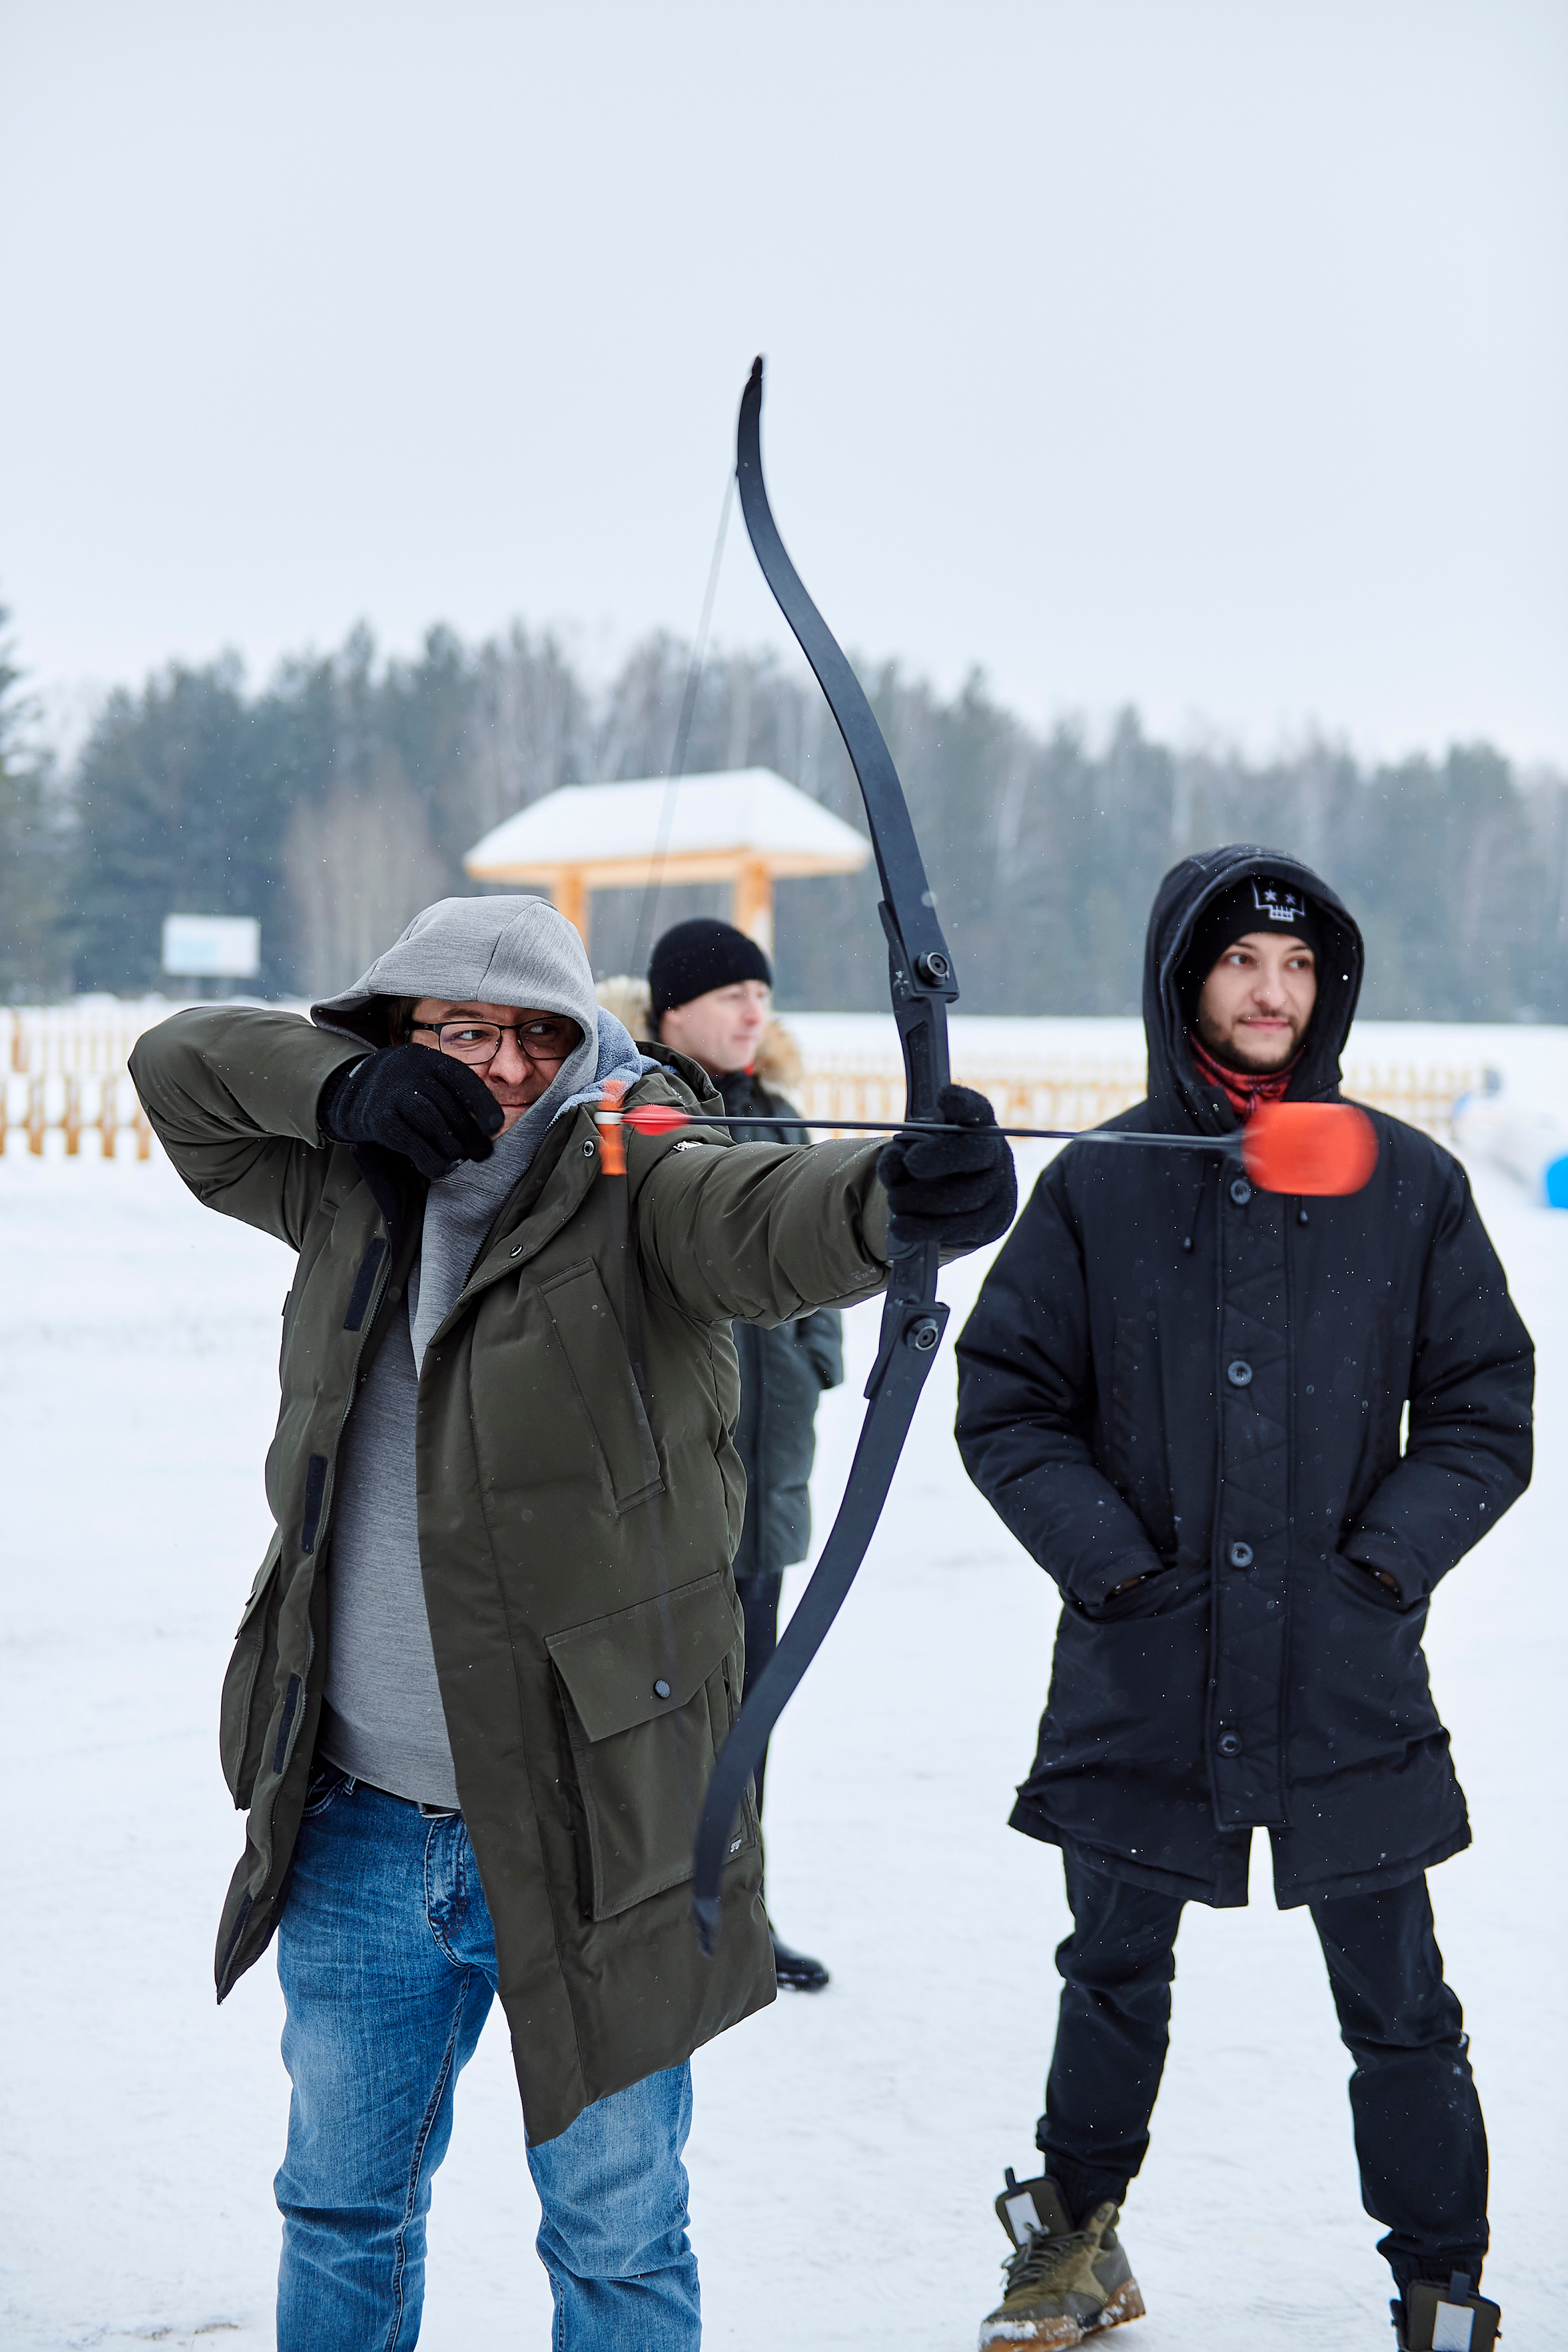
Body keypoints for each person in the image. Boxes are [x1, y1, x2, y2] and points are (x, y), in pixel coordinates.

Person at [129, 894, 1014, 2351]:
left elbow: (762, 1219)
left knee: (615, 2240)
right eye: (454, 1033)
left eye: (532, 1037)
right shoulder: (345, 1181)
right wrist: (342, 1087)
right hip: (354, 1817)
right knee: (340, 2210)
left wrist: (889, 1205)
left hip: (589, 1824)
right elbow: (179, 1066)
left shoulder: (638, 1171)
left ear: (580, 1043)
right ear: (398, 1035)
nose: (496, 1066)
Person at [954, 847, 1529, 2352]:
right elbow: (1007, 1400)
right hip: (1146, 1659)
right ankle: (1071, 2249)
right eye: (1237, 965)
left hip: (1342, 1665)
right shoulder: (1102, 1182)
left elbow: (1484, 1405)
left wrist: (1383, 1566)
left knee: (1397, 1996)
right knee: (1109, 1968)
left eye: (1293, 969)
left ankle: (1439, 2274)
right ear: (1183, 982)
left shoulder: (1404, 1181)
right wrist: (1115, 1568)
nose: (1269, 994)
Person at [646, 916, 843, 1993]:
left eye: (761, 995)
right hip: (675, 1486)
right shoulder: (644, 1112)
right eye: (731, 994)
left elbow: (826, 1251)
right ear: (674, 1008)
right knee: (669, 1712)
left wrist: (814, 1356)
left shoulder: (779, 1119)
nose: (752, 1012)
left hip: (768, 1478)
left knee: (752, 1708)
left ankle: (736, 1909)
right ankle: (656, 1918)